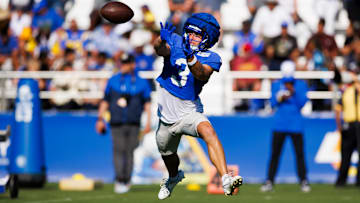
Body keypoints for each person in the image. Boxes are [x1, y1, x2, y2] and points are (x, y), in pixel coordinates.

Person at [153, 13, 242, 200]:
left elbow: (202, 74)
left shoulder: (212, 57)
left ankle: (226, 178)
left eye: (198, 35)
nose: (192, 38)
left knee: (208, 131)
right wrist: (161, 40)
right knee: (168, 155)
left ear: (207, 39)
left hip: (188, 111)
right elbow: (160, 50)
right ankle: (173, 177)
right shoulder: (177, 41)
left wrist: (190, 57)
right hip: (166, 117)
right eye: (191, 33)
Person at [95, 53, 152, 194]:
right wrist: (100, 119)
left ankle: (126, 179)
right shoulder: (113, 81)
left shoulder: (141, 82)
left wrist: (148, 122)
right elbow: (105, 101)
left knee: (130, 151)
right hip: (116, 122)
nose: (124, 66)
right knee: (119, 150)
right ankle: (120, 179)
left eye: (127, 63)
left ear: (133, 64)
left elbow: (147, 104)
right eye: (122, 63)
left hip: (133, 122)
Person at [261, 60, 311, 192]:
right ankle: (269, 181)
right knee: (275, 154)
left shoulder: (300, 85)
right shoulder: (277, 84)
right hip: (280, 124)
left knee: (299, 154)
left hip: (296, 124)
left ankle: (304, 181)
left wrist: (293, 92)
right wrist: (279, 98)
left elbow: (302, 103)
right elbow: (272, 103)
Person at [334, 72, 360, 187]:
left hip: (353, 124)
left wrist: (339, 126)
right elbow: (338, 109)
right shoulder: (346, 91)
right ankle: (343, 180)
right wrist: (339, 126)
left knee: (346, 154)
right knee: (345, 155)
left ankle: (343, 181)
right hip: (350, 125)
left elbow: (337, 111)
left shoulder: (346, 91)